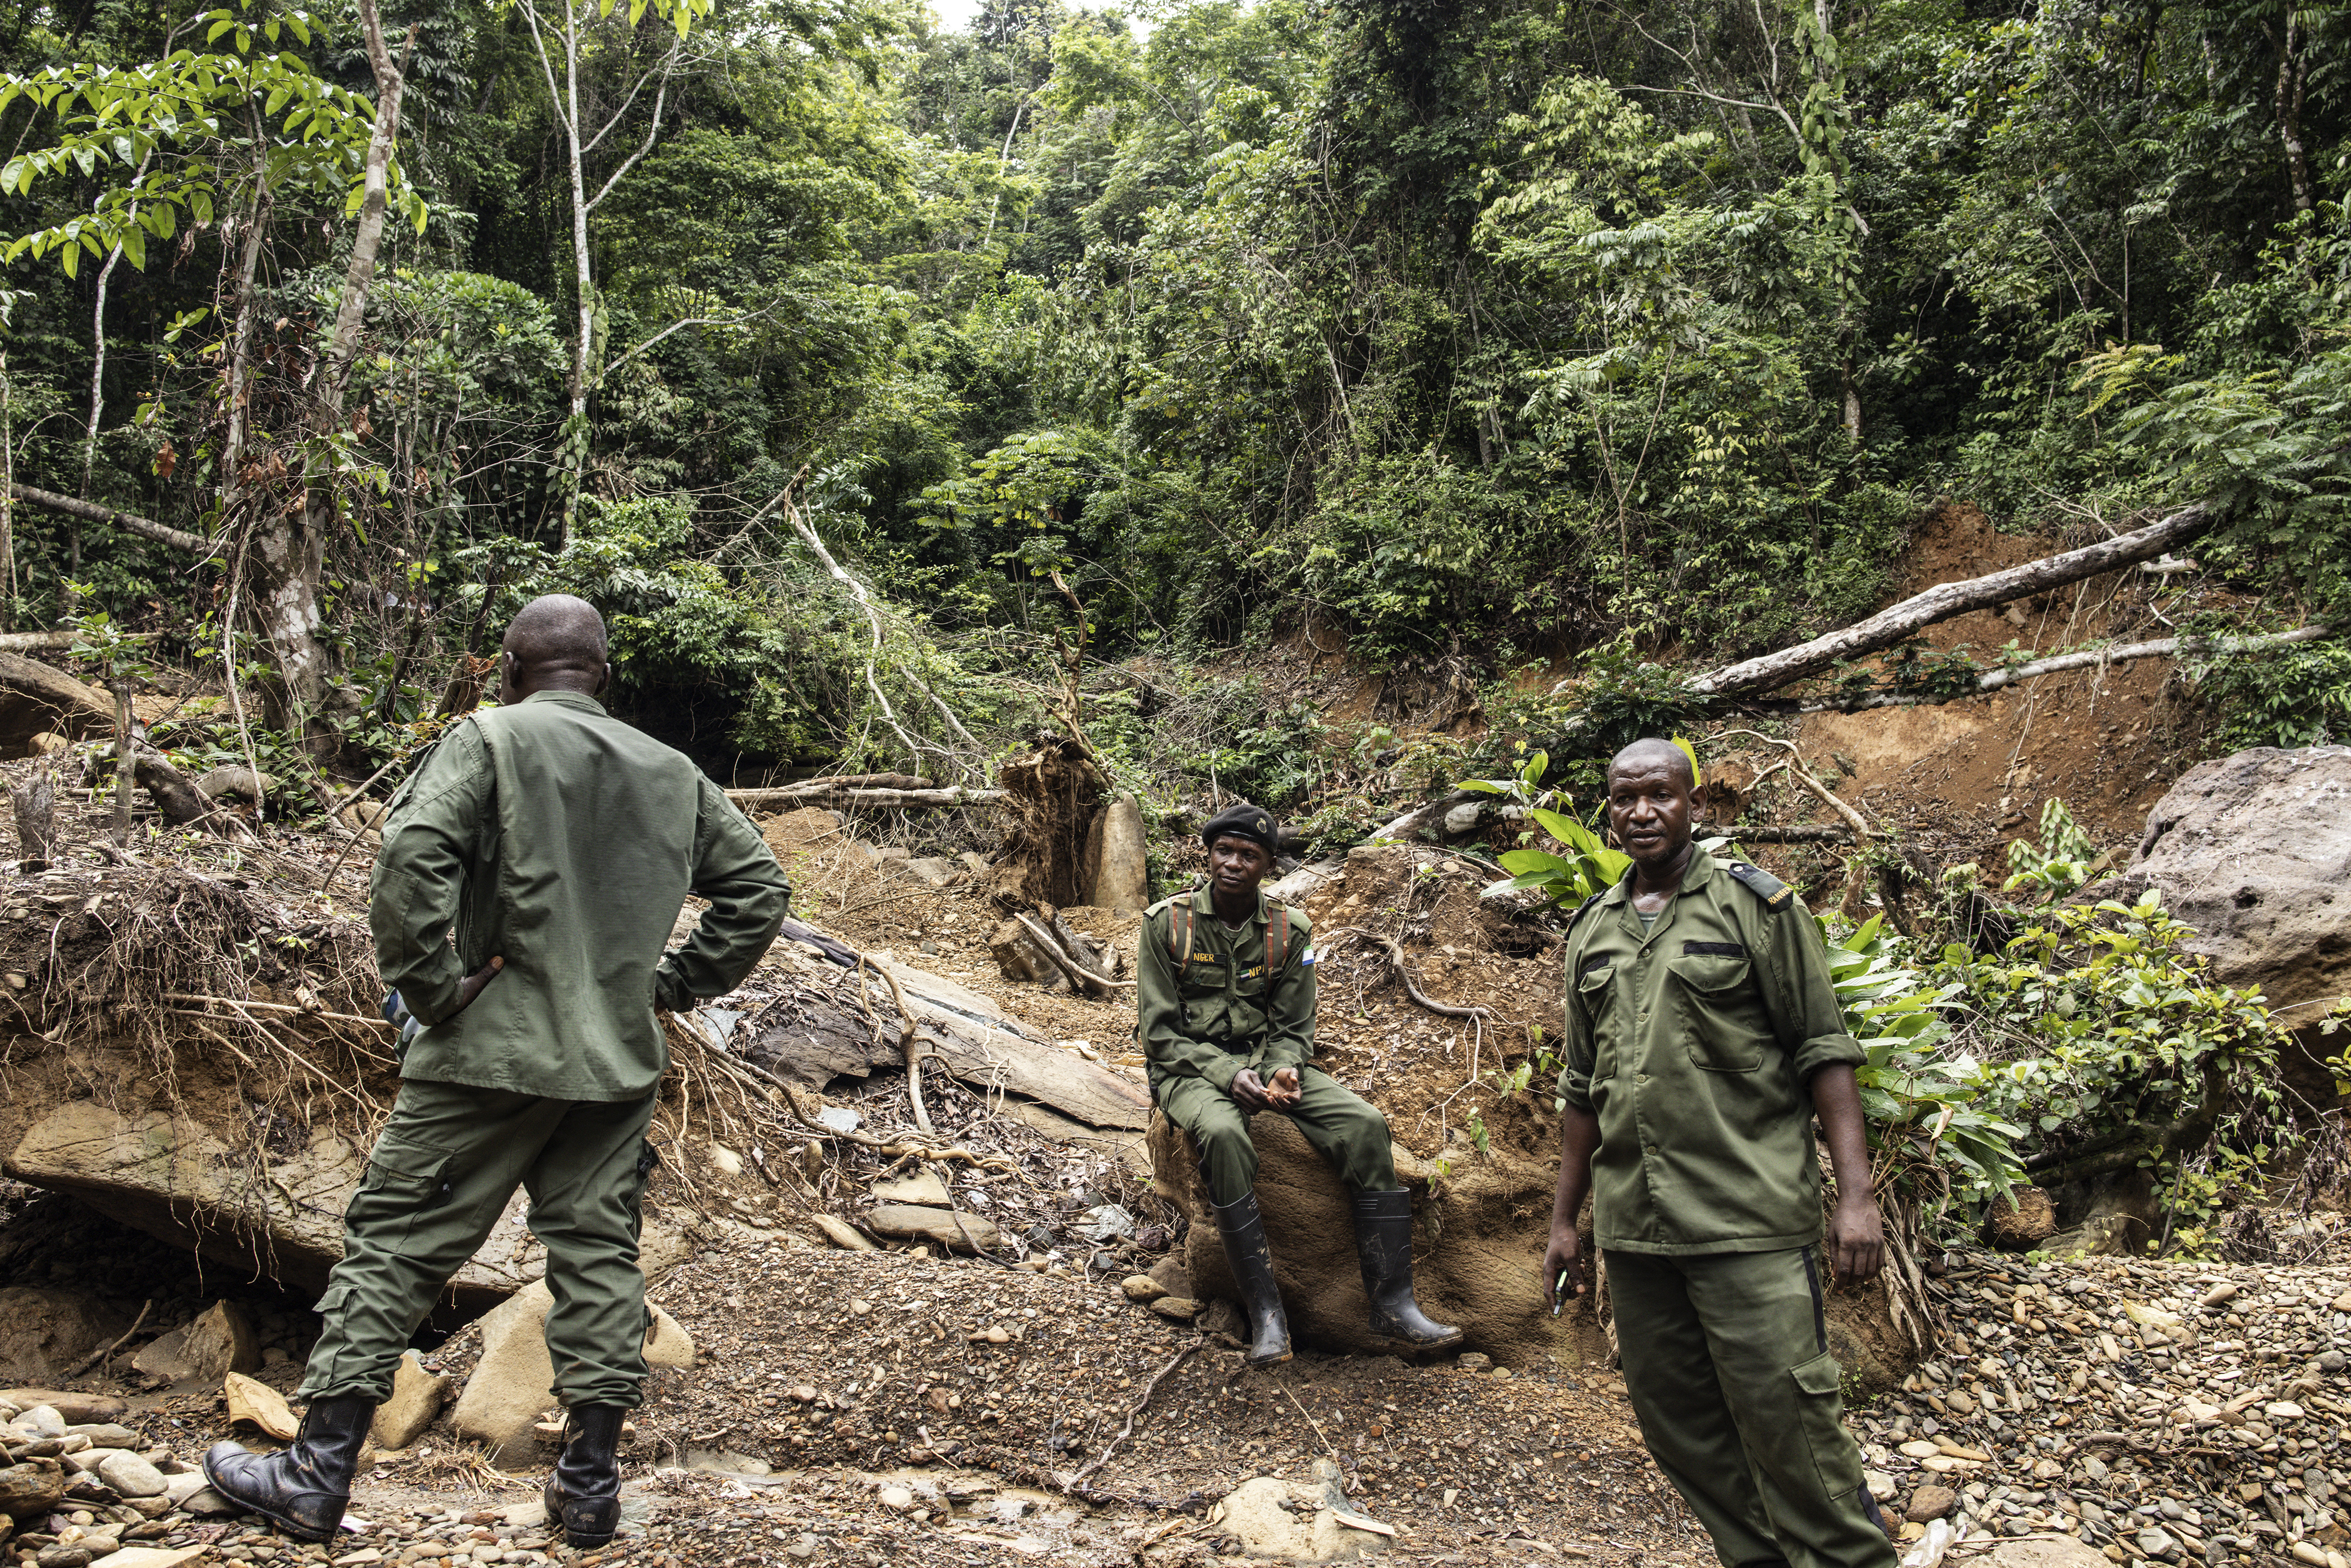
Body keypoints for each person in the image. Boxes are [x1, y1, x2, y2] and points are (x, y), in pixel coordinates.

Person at [204, 595, 792, 1549]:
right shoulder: (671, 770)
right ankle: (591, 1486)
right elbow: (760, 887)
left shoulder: (486, 739)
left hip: (484, 1056)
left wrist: (434, 988)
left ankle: (313, 1475)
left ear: (510, 667)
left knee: (394, 1245)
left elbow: (411, 853)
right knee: (598, 1259)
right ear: (602, 674)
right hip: (613, 1067)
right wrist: (671, 983)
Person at [1542, 738, 1896, 1568]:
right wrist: (1567, 1222)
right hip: (1637, 1231)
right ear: (1609, 810)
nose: (1642, 813)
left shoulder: (1758, 909)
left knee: (1794, 1427)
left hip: (1748, 1222)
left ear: (1695, 803)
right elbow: (1579, 1089)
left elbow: (1824, 1051)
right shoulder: (1591, 930)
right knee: (1681, 1428)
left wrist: (1857, 1195)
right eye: (1625, 799)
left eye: (1660, 795)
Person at [1137, 802, 1460, 1366]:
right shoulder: (1169, 924)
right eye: (1224, 851)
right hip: (1190, 1068)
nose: (1234, 863)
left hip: (1264, 1060)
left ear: (1269, 865)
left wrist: (1284, 1068)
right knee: (1223, 1133)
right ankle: (1268, 1316)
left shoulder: (1292, 930)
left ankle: (1393, 1305)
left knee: (1365, 1125)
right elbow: (1159, 1034)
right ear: (1208, 855)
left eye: (1249, 855)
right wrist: (1226, 1074)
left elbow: (1293, 1028)